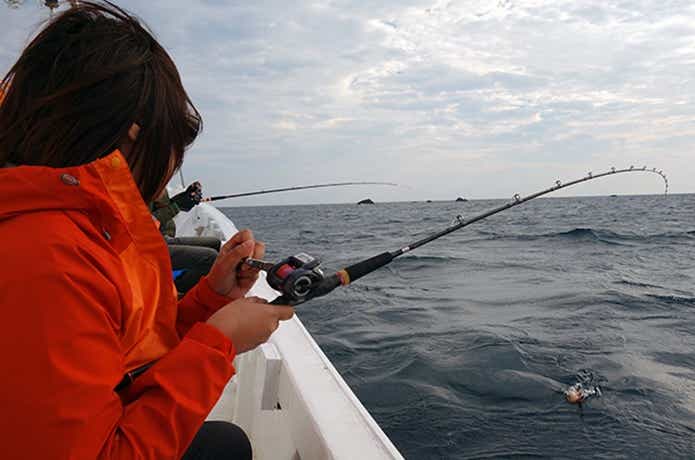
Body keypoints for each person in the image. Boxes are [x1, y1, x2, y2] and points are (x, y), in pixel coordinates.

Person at [0, 2, 294, 459]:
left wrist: (210, 300)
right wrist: (219, 344)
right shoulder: (49, 258)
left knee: (226, 444)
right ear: (135, 135)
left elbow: (122, 351)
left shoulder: (68, 224)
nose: (173, 161)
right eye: (174, 143)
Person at [151, 182, 224, 294]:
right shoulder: (137, 185)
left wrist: (184, 198)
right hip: (146, 247)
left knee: (215, 243)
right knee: (211, 257)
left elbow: (160, 209)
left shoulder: (154, 180)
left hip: (161, 238)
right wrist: (177, 205)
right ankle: (176, 291)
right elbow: (143, 224)